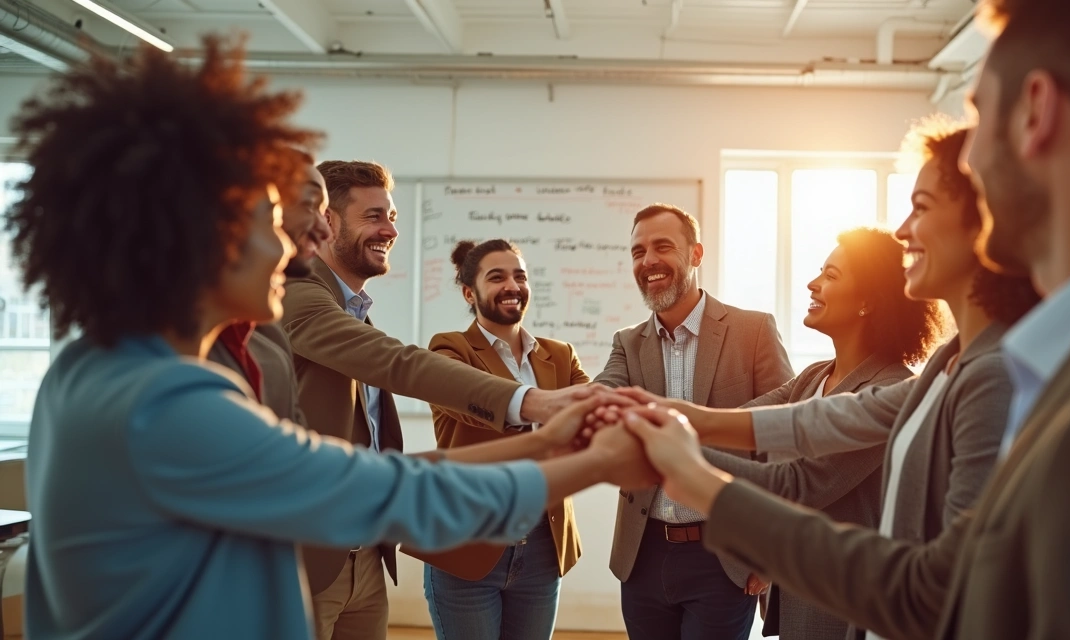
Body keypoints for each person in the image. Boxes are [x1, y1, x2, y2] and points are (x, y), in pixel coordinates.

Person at [12, 37, 655, 640]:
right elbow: (393, 492)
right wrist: (597, 462)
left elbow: (368, 473)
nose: (290, 245)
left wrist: (546, 442)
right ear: (203, 236)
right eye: (272, 221)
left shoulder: (88, 367)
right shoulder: (167, 404)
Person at [622, 0, 1070, 637]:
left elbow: (942, 594)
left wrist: (695, 477)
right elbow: (822, 420)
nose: (972, 161)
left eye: (978, 117)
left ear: (1036, 113)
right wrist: (685, 431)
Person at [280, 160, 612, 639]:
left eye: (392, 216)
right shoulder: (302, 295)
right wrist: (533, 402)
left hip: (367, 557)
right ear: (327, 221)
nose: (390, 229)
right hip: (310, 556)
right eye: (374, 216)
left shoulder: (351, 311)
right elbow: (401, 364)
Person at [701, 226, 943, 639]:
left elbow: (801, 485)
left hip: (844, 604)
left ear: (867, 301)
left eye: (831, 276)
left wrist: (667, 454)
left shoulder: (887, 388)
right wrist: (657, 417)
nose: (813, 283)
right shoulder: (813, 377)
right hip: (799, 592)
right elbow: (737, 422)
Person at [594, 203, 794, 640]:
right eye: (638, 251)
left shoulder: (753, 330)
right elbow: (602, 396)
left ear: (697, 254)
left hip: (725, 553)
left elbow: (784, 442)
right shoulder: (627, 343)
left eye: (662, 246)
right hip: (643, 554)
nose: (648, 261)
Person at [414, 239, 589, 640]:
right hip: (468, 543)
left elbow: (592, 415)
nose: (512, 285)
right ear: (468, 292)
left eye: (520, 276)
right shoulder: (449, 349)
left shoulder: (560, 355)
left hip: (544, 545)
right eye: (497, 277)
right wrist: (544, 411)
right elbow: (469, 400)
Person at [207, 152, 329, 425]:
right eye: (272, 221)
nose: (325, 232)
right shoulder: (162, 381)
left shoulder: (269, 335)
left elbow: (298, 454)